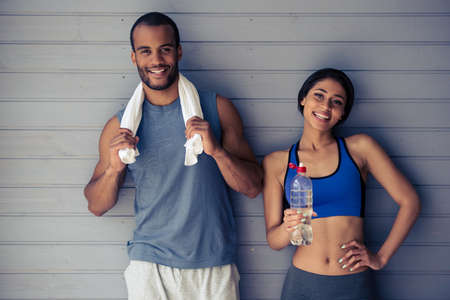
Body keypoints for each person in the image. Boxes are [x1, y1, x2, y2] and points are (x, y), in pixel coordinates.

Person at [84, 12, 263, 300]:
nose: (156, 60)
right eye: (145, 51)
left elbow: (254, 187)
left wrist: (216, 151)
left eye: (164, 49)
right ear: (134, 58)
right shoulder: (120, 127)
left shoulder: (217, 109)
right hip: (149, 266)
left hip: (212, 265)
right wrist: (114, 170)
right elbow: (96, 205)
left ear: (178, 52)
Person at [262, 68, 420, 300]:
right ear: (302, 99)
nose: (326, 106)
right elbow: (274, 242)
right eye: (319, 95)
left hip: (354, 283)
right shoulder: (276, 162)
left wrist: (381, 257)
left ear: (343, 113)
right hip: (303, 283)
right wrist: (288, 227)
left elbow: (410, 202)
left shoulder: (360, 148)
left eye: (337, 102)